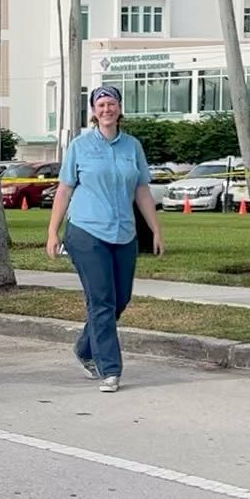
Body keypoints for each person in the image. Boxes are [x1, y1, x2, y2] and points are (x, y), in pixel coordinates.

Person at [45, 84, 163, 394]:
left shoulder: (132, 147)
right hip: (86, 232)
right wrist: (52, 231)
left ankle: (85, 348)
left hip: (124, 233)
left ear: (119, 109)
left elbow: (141, 190)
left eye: (111, 104)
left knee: (119, 299)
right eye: (101, 105)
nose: (106, 109)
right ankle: (109, 369)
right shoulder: (80, 146)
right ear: (94, 112)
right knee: (101, 300)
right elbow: (64, 190)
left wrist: (155, 230)